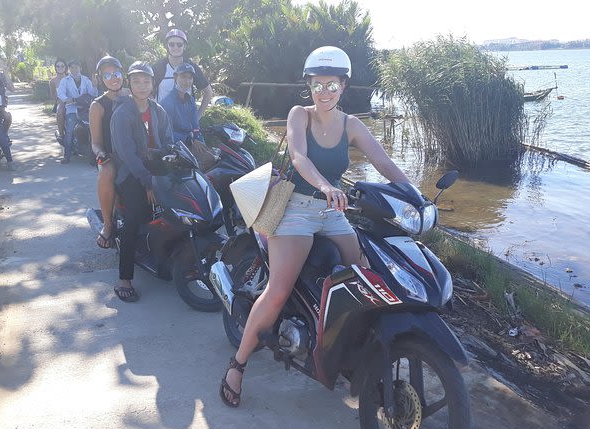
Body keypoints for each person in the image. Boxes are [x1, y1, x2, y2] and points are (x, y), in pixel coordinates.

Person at [219, 46, 411, 408]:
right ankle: (238, 365)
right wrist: (325, 186)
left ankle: (348, 345)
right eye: (318, 84)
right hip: (295, 209)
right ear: (309, 85)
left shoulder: (351, 124)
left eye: (332, 84)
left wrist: (415, 197)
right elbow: (299, 157)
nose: (324, 91)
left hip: (332, 212)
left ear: (343, 86)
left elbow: (383, 162)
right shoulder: (299, 115)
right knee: (277, 292)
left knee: (366, 277)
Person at [110, 61, 173, 302]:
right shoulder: (122, 114)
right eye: (136, 81)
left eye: (146, 81)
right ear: (130, 84)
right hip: (131, 173)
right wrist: (148, 183)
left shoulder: (158, 111)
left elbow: (168, 141)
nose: (142, 85)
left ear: (153, 84)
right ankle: (124, 277)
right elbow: (127, 154)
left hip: (157, 170)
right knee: (134, 218)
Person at [90, 55, 128, 249]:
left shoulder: (133, 96)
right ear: (101, 79)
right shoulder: (97, 105)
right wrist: (102, 155)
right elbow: (95, 142)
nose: (113, 78)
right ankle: (107, 223)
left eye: (116, 73)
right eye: (107, 75)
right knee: (107, 173)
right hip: (112, 156)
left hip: (134, 153)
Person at [152, 28, 213, 118]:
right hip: (163, 121)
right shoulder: (158, 68)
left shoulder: (191, 67)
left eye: (179, 44)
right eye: (171, 44)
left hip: (186, 121)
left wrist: (197, 117)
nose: (175, 47)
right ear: (167, 46)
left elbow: (208, 92)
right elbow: (148, 92)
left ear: (184, 46)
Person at [56, 60, 98, 164]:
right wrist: (67, 99)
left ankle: (94, 154)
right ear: (69, 69)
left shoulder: (86, 80)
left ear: (80, 68)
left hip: (85, 109)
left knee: (93, 129)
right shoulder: (65, 80)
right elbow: (60, 93)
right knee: (70, 131)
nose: (74, 69)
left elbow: (93, 94)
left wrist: (94, 85)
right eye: (72, 67)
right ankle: (67, 156)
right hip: (72, 108)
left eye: (76, 67)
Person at [159, 62, 204, 144]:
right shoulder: (167, 102)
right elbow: (168, 132)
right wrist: (189, 140)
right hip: (176, 146)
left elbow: (195, 126)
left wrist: (198, 138)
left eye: (190, 78)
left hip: (192, 141)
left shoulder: (191, 100)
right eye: (183, 77)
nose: (187, 82)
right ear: (175, 77)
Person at [49, 58, 68, 139]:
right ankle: (61, 134)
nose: (60, 68)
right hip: (61, 102)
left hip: (72, 101)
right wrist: (59, 95)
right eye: (58, 66)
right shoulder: (52, 81)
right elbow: (52, 96)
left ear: (65, 67)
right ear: (55, 68)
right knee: (59, 112)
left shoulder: (70, 78)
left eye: (62, 66)